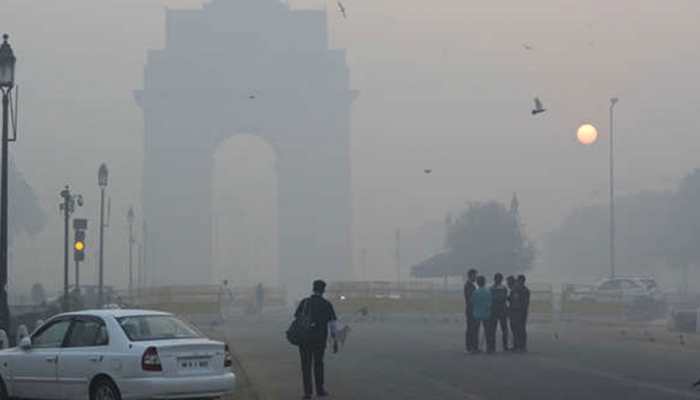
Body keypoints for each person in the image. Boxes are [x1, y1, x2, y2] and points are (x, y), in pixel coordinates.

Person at [294, 280, 338, 399]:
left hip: (304, 338)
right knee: (318, 364)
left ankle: (307, 392)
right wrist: (335, 341)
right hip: (319, 339)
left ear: (313, 289)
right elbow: (333, 324)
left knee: (306, 365)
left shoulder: (305, 302)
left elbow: (297, 317)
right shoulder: (326, 304)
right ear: (323, 290)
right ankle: (320, 390)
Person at [471, 275, 493, 353]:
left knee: (475, 332)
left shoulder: (475, 292)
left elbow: (472, 302)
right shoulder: (488, 292)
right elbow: (490, 303)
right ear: (484, 282)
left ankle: (475, 348)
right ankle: (489, 348)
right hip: (486, 314)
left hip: (476, 314)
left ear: (477, 283)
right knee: (488, 332)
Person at [510, 275, 531, 352]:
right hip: (520, 312)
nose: (517, 282)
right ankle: (519, 346)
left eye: (518, 281)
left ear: (521, 281)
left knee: (519, 329)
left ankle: (520, 346)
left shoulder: (518, 290)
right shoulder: (524, 290)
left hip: (518, 312)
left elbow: (516, 301)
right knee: (518, 329)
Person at [488, 273, 509, 352]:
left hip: (497, 310)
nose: (499, 280)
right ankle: (495, 346)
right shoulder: (503, 288)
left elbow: (493, 298)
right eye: (498, 278)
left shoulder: (492, 288)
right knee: (494, 330)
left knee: (502, 329)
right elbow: (503, 298)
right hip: (498, 310)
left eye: (500, 279)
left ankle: (502, 346)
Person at [463, 268, 478, 353]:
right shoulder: (469, 286)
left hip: (471, 309)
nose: (476, 277)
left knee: (472, 328)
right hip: (471, 310)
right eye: (475, 275)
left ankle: (473, 347)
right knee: (471, 329)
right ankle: (470, 347)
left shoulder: (470, 285)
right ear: (471, 275)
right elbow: (470, 299)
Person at [505, 275, 517, 351]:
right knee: (514, 329)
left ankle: (516, 346)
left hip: (515, 313)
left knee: (515, 329)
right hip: (513, 312)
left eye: (508, 282)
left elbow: (515, 302)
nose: (507, 284)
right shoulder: (514, 290)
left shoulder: (515, 290)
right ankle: (516, 345)